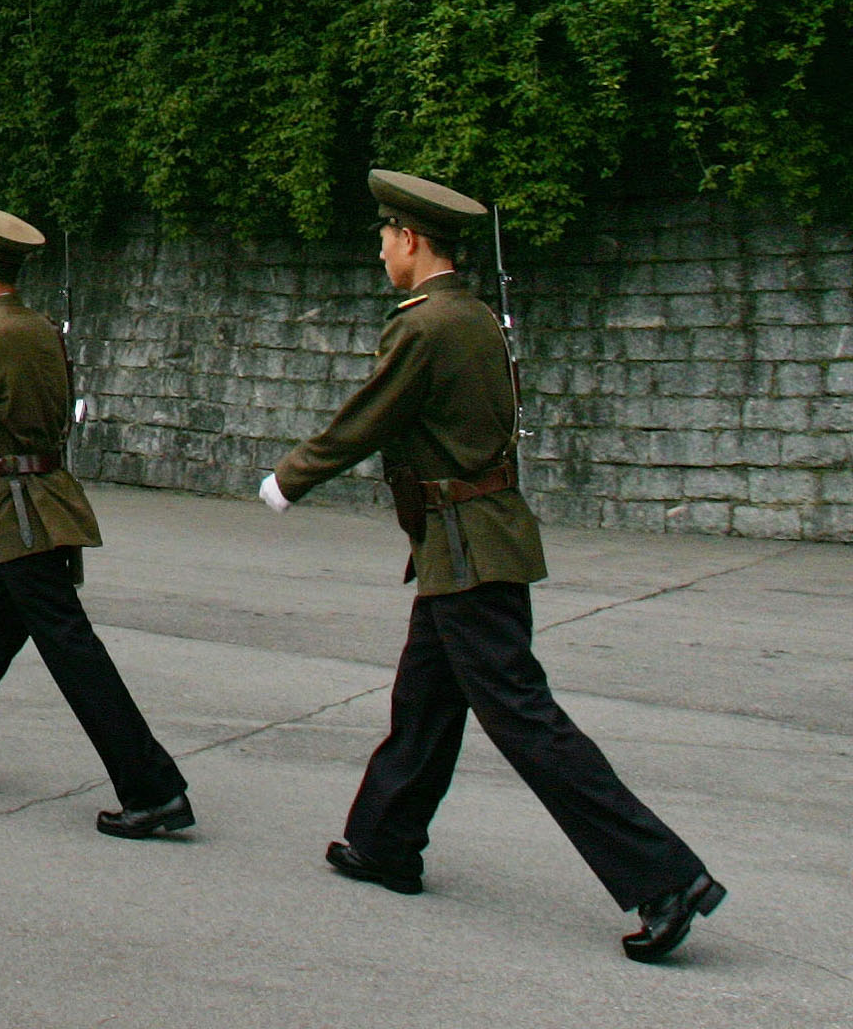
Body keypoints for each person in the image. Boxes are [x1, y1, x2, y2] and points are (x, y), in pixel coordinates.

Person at [264, 169, 727, 962]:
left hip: (467, 546)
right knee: (425, 701)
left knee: (524, 719)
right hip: (468, 543)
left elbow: (367, 418)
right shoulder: (472, 314)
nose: (381, 252)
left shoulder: (426, 325)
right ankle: (383, 843)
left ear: (412, 239)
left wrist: (289, 479)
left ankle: (666, 878)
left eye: (386, 238)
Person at [0, 203, 192, 839]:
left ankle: (155, 789)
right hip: (36, 505)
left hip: (23, 512)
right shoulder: (41, 330)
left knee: (73, 650)